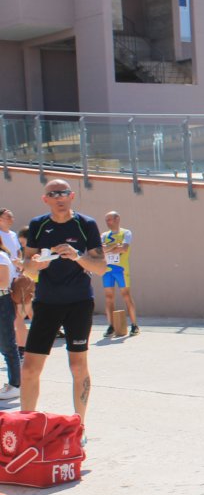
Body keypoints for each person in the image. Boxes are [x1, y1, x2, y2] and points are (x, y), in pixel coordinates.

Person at [20, 179, 107, 425]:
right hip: (46, 303)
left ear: (71, 196)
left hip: (79, 303)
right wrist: (37, 264)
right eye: (53, 194)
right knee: (29, 369)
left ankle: (80, 426)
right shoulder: (38, 225)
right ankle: (26, 427)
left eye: (64, 193)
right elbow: (27, 266)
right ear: (45, 199)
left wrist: (77, 256)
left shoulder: (86, 224)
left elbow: (101, 267)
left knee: (78, 366)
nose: (59, 197)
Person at [101, 211, 140, 337]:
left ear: (117, 219)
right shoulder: (104, 235)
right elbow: (100, 250)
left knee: (126, 296)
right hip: (107, 270)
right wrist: (114, 246)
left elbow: (124, 248)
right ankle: (111, 326)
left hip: (121, 270)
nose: (107, 222)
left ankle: (134, 325)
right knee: (108, 298)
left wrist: (109, 248)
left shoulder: (126, 233)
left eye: (109, 219)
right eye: (106, 220)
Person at [0, 208, 28, 355]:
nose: (12, 219)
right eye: (8, 217)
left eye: (12, 216)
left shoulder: (13, 235)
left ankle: (21, 348)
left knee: (17, 316)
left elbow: (18, 253)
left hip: (14, 281)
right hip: (2, 282)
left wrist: (20, 266)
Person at [0, 237, 21, 401]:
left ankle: (16, 385)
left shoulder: (1, 257)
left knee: (8, 346)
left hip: (2, 302)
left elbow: (3, 283)